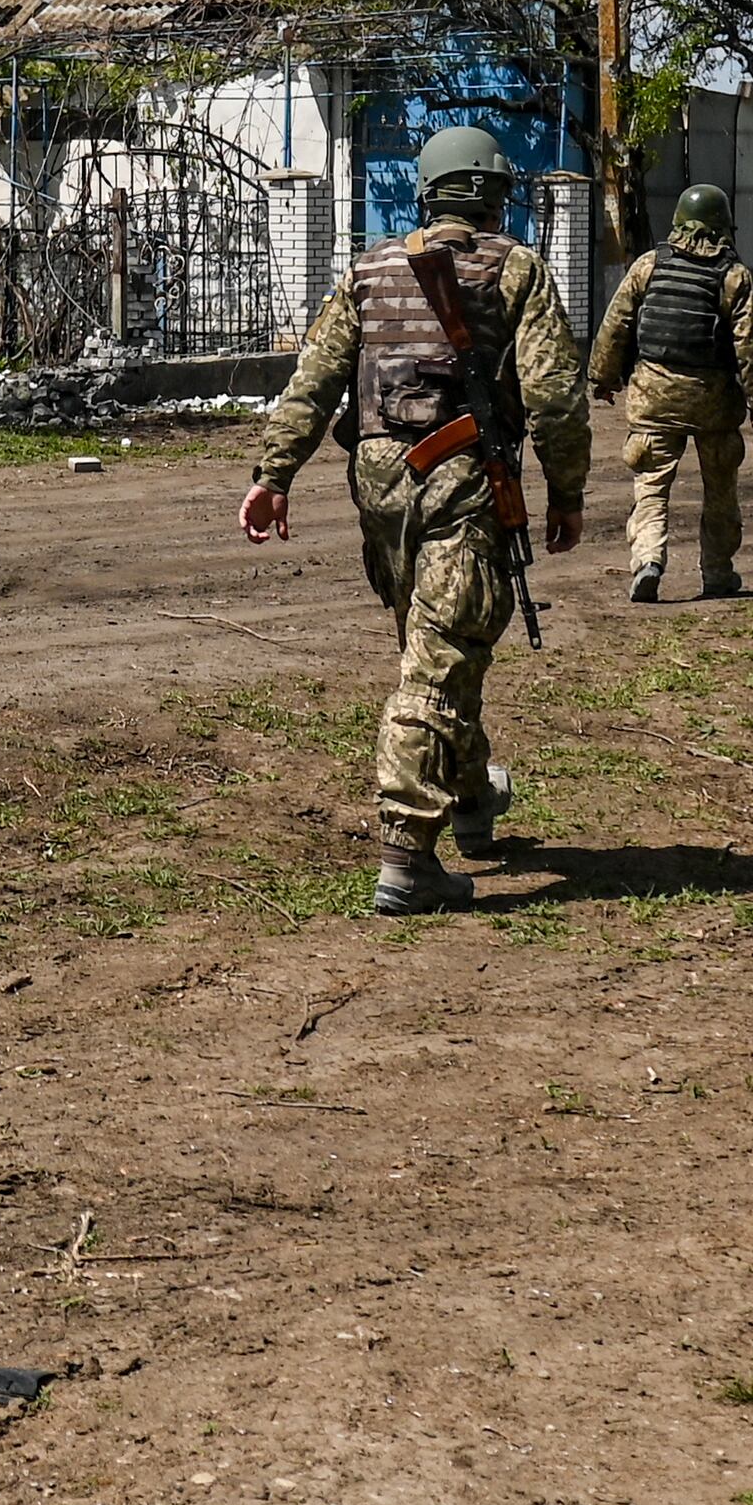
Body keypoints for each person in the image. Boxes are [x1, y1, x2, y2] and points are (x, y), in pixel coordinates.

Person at [236, 125, 591, 914]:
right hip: (462, 480)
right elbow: (556, 396)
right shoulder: (518, 270)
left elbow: (314, 379)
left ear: (429, 191)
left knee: (436, 643)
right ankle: (406, 852)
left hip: (382, 487)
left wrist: (274, 474)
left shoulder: (368, 270)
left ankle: (470, 799)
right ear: (493, 192)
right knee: (434, 663)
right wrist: (567, 492)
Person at [586, 181, 753, 601]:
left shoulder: (648, 265)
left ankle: (648, 560)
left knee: (651, 484)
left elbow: (615, 324)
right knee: (720, 489)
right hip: (713, 400)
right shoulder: (734, 276)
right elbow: (752, 347)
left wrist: (602, 378)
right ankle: (717, 572)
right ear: (723, 226)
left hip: (653, 395)